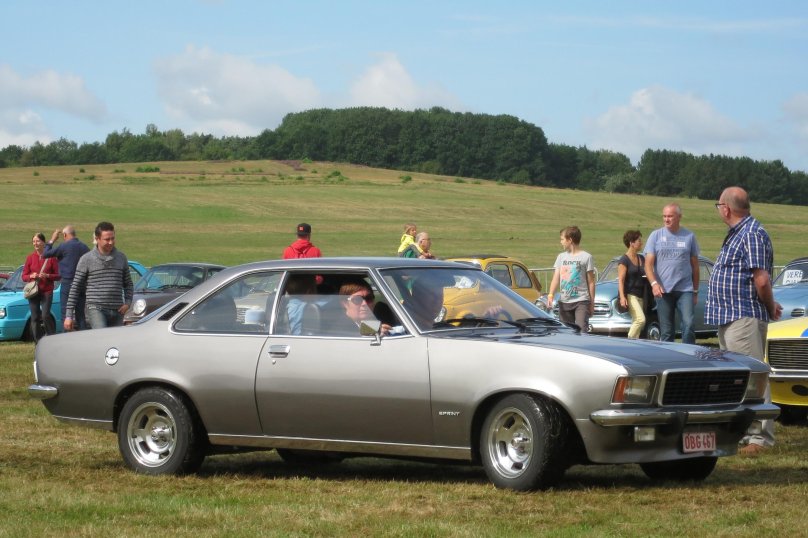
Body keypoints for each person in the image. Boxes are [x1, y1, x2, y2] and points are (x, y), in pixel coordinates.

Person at [705, 186, 782, 455]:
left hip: (743, 316)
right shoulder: (739, 233)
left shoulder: (751, 233)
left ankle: (760, 438)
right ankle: (742, 432)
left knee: (752, 376)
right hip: (731, 315)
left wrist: (770, 306)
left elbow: (761, 279)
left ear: (726, 208)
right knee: (736, 378)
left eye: (718, 205)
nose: (718, 210)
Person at [644, 202, 700, 344]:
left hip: (685, 289)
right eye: (664, 216)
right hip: (663, 291)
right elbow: (648, 264)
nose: (666, 219)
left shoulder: (689, 236)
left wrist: (695, 291)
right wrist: (654, 284)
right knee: (667, 331)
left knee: (688, 324)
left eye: (670, 216)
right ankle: (669, 358)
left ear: (679, 217)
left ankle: (689, 354)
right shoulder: (656, 236)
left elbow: (695, 266)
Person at [64, 221, 134, 330]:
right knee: (102, 338)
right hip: (96, 308)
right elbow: (75, 287)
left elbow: (128, 283)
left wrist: (128, 303)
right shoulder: (86, 259)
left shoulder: (121, 258)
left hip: (118, 310)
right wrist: (68, 315)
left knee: (115, 343)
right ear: (97, 239)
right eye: (107, 239)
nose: (110, 242)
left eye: (113, 238)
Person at [547, 226, 596, 332]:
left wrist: (592, 303)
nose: (561, 242)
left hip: (581, 301)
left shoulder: (586, 257)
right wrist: (550, 294)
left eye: (562, 239)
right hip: (564, 301)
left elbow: (591, 282)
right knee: (566, 332)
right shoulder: (561, 257)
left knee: (581, 330)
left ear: (570, 240)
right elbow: (556, 278)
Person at [43, 225, 90, 330]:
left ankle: (66, 337)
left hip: (68, 282)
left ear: (65, 235)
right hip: (82, 283)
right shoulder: (84, 247)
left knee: (66, 313)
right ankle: (83, 338)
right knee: (80, 314)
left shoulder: (64, 246)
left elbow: (45, 254)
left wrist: (52, 240)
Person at [22, 233, 61, 341]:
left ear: (44, 243)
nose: (35, 243)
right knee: (34, 318)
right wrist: (31, 276)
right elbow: (24, 276)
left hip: (46, 291)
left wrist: (48, 276)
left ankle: (52, 339)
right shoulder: (30, 257)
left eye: (38, 241)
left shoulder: (51, 258)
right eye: (34, 241)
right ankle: (38, 343)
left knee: (45, 315)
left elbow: (58, 276)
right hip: (33, 291)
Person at [325, 279, 391, 336]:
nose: (364, 303)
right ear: (344, 303)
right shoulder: (339, 329)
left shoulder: (369, 322)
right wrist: (374, 333)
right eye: (357, 299)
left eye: (369, 298)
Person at [617, 230, 648, 339]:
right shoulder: (624, 260)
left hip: (641, 295)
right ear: (631, 243)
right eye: (639, 240)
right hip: (630, 295)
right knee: (641, 319)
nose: (641, 242)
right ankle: (628, 340)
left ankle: (634, 346)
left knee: (637, 322)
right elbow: (620, 280)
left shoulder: (642, 258)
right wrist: (622, 297)